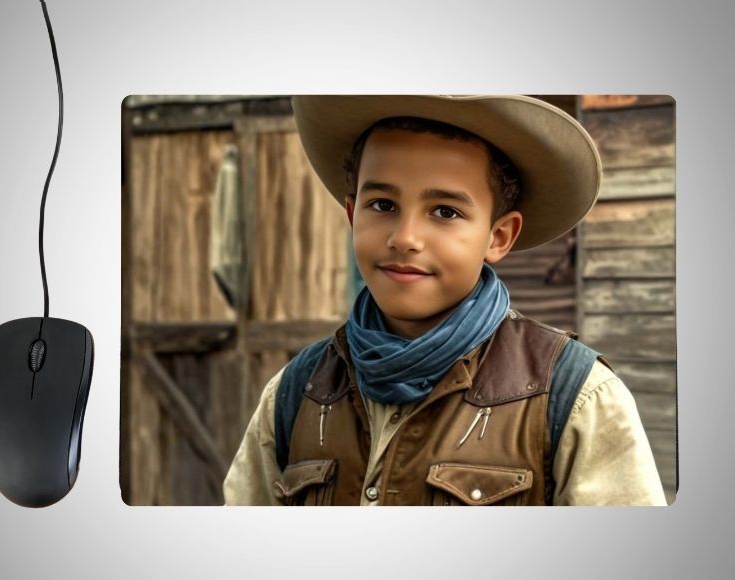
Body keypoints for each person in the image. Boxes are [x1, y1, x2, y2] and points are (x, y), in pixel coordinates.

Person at [222, 95, 667, 506]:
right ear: (352, 214)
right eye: (382, 204)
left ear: (498, 236)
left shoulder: (578, 398)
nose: (405, 238)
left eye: (445, 212)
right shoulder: (295, 393)